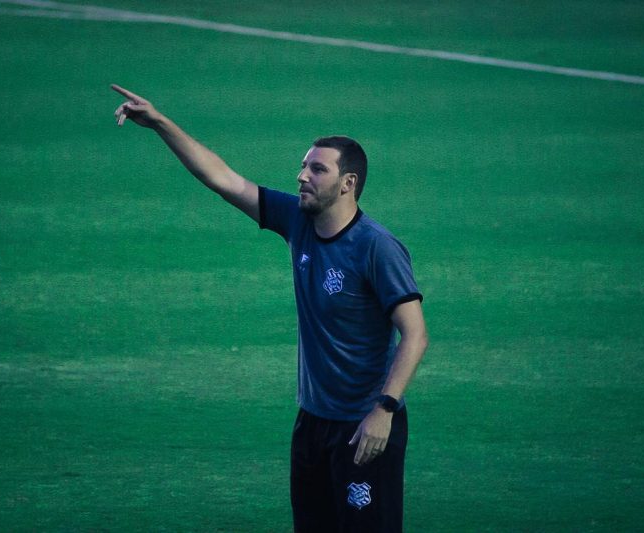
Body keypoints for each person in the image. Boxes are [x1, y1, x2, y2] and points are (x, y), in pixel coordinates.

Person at [112, 84, 429, 532]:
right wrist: (161, 123)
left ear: (348, 184)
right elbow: (222, 179)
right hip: (312, 422)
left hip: (366, 427)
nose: (302, 176)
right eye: (302, 166)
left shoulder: (376, 247)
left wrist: (385, 410)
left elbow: (415, 333)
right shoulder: (298, 219)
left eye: (317, 169)